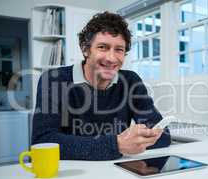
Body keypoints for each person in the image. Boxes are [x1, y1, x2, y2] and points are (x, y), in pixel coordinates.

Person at [32, 11, 171, 161]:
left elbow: (162, 136)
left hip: (116, 172)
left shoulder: (131, 81)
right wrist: (116, 145)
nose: (111, 58)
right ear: (85, 49)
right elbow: (43, 141)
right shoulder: (53, 80)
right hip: (69, 175)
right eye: (103, 47)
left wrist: (138, 138)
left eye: (119, 49)